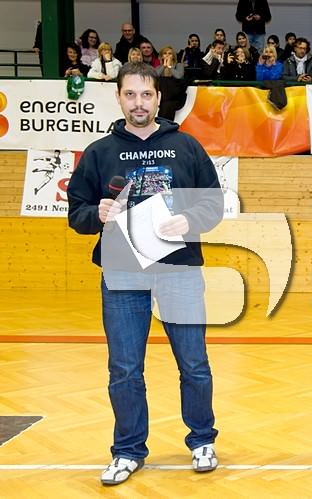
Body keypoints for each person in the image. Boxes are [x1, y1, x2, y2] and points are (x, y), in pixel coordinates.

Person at [67, 62, 223, 486]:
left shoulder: (186, 146)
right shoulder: (99, 152)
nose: (139, 103)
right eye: (130, 94)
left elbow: (213, 205)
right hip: (122, 274)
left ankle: (202, 440)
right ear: (118, 97)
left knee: (194, 363)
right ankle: (127, 450)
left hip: (179, 271)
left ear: (158, 98)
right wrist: (96, 213)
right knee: (124, 369)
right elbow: (76, 213)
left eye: (146, 94)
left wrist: (188, 220)